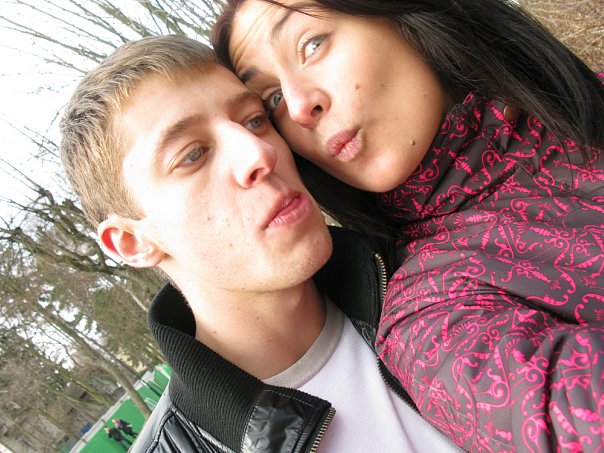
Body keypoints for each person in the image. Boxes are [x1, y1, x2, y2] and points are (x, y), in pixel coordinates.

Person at [212, 1, 604, 451]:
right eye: (274, 99)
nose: (300, 107)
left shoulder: (580, 108)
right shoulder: (431, 319)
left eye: (312, 44)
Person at [59, 35, 462, 452]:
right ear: (131, 242)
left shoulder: (445, 259)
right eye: (193, 155)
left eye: (254, 120)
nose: (260, 153)